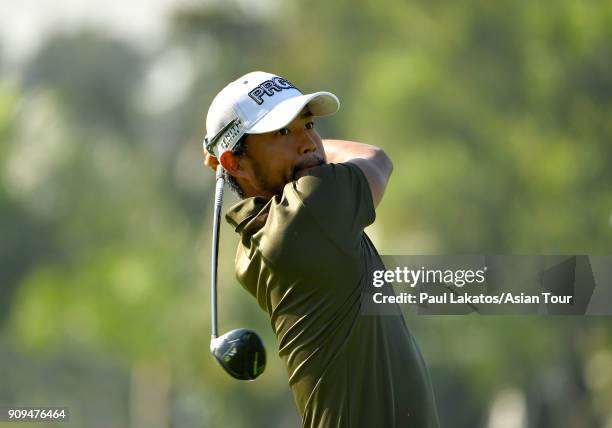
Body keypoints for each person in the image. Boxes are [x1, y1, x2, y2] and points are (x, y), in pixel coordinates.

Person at [202, 71, 440, 427]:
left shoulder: (256, 244)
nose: (310, 142)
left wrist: (231, 160)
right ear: (235, 162)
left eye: (308, 124)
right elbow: (375, 159)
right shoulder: (309, 211)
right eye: (282, 132)